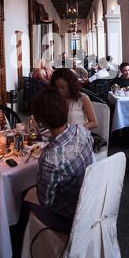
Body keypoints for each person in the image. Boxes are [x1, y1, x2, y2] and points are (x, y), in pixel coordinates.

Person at [31, 87, 95, 228]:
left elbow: (45, 202)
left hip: (69, 216)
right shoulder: (82, 131)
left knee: (24, 199)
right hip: (91, 202)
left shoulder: (49, 159)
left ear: (41, 121)